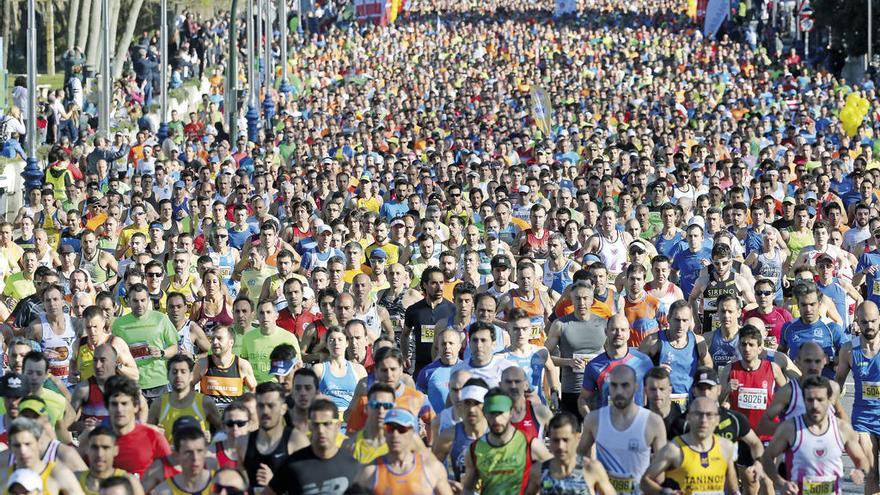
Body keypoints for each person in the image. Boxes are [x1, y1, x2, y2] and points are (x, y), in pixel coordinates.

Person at [761, 375, 869, 495]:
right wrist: (781, 483)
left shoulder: (842, 429)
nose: (815, 405)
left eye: (820, 399)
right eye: (810, 400)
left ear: (829, 400)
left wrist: (861, 472)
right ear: (804, 400)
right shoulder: (790, 429)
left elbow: (862, 460)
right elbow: (767, 458)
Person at [578, 365, 666, 494]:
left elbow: (660, 476)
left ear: (636, 387)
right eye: (614, 385)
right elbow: (577, 459)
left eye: (625, 385)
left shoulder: (653, 422)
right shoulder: (594, 419)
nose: (619, 391)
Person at [461, 388, 552, 494]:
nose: (496, 420)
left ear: (511, 412)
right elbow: (468, 488)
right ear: (484, 413)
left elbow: (554, 474)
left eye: (501, 413)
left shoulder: (530, 444)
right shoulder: (474, 450)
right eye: (492, 413)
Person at [640, 397, 738, 495]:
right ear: (688, 418)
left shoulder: (726, 447)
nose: (703, 420)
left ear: (717, 420)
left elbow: (733, 489)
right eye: (698, 414)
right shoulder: (674, 449)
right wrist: (664, 492)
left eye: (709, 415)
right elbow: (644, 482)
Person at [265, 399, 363, 495]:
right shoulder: (292, 464)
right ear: (310, 426)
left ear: (337, 425)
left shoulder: (353, 465)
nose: (321, 430)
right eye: (316, 424)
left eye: (327, 424)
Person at [544, 279, 607, 421]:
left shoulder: (603, 324)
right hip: (571, 390)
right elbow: (544, 356)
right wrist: (568, 362)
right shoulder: (560, 324)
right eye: (577, 298)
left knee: (598, 437)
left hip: (598, 390)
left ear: (592, 300)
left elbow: (614, 356)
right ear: (572, 300)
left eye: (585, 298)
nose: (582, 303)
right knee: (572, 437)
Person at [835, 300, 880, 494]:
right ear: (857, 322)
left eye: (873, 321)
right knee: (870, 473)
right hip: (863, 419)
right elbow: (838, 383)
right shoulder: (848, 350)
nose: (869, 326)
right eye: (864, 322)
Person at [354, 407, 451, 494]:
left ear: (412, 432)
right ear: (383, 432)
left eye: (402, 429)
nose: (395, 435)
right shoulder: (369, 472)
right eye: (390, 429)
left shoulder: (432, 468)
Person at [110, 284, 179, 403]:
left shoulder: (161, 319)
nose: (140, 304)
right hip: (132, 383)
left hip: (159, 381)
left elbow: (174, 347)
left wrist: (162, 352)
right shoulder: (119, 324)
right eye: (135, 301)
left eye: (143, 300)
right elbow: (113, 353)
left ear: (148, 300)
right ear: (128, 301)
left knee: (158, 421)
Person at [233, 382, 307, 494]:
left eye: (271, 406)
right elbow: (241, 487)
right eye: (261, 406)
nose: (265, 411)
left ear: (283, 409)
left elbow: (307, 488)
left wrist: (275, 485)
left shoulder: (296, 441)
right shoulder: (243, 442)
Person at [639, 300, 712, 407]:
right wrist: (654, 371)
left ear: (690, 321)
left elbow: (709, 368)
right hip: (659, 404)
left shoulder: (698, 342)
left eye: (685, 320)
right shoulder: (653, 341)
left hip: (688, 404)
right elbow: (636, 369)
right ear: (668, 318)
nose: (680, 325)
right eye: (677, 320)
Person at [578, 314, 653, 417]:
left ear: (629, 333)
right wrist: (592, 421)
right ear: (606, 332)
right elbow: (583, 399)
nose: (619, 334)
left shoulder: (643, 361)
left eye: (623, 330)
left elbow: (654, 393)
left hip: (638, 424)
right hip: (608, 425)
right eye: (614, 329)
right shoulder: (593, 366)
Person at [524, 412, 616, 495]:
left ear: (577, 438)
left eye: (565, 440)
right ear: (550, 440)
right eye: (556, 440)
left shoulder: (591, 469)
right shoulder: (539, 471)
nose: (560, 446)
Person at [146, 354, 222, 443]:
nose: (178, 376)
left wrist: (211, 438)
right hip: (170, 456)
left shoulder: (205, 402)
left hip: (197, 455)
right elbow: (146, 436)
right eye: (174, 372)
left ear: (191, 376)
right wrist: (154, 434)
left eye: (183, 371)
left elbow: (223, 431)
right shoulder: (159, 404)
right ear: (167, 375)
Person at [0, 418, 84, 495]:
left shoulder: (59, 474)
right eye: (17, 445)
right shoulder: (2, 473)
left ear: (39, 443)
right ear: (10, 447)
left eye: (28, 444)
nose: (22, 451)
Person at [401, 266, 455, 376]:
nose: (439, 287)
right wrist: (405, 355)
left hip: (445, 369)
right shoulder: (414, 310)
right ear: (425, 285)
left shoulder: (452, 309)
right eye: (434, 283)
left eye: (441, 282)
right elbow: (405, 335)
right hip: (421, 369)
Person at [194, 325, 257, 411]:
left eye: (219, 338)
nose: (215, 342)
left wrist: (245, 406)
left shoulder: (242, 365)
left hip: (233, 420)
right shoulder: (203, 364)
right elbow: (188, 387)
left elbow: (255, 391)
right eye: (212, 339)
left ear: (231, 342)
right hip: (209, 419)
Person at [240, 300, 300, 383]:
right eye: (261, 313)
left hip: (278, 387)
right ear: (257, 316)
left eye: (268, 312)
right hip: (254, 388)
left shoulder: (289, 338)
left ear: (276, 315)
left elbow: (298, 366)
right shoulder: (248, 337)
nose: (265, 316)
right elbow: (243, 364)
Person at [76, 426, 144, 495]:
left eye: (105, 448)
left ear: (115, 450)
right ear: (87, 449)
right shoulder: (74, 480)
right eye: (95, 447)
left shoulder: (130, 482)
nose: (100, 454)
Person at [341, 382, 394, 464]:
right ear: (366, 408)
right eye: (375, 405)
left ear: (394, 409)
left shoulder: (404, 444)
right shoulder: (350, 446)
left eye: (387, 406)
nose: (381, 410)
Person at [151, 426, 213, 495]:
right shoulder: (163, 492)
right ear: (176, 455)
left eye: (199, 451)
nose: (195, 458)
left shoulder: (222, 482)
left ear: (206, 452)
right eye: (188, 452)